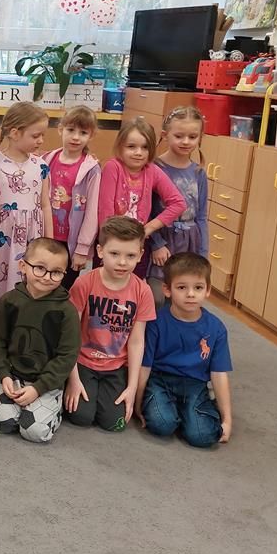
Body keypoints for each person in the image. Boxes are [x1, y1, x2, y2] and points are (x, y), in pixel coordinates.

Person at [65, 216, 156, 432]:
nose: (122, 262)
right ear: (100, 251)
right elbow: (69, 334)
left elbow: (136, 342)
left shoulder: (143, 292)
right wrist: (73, 379)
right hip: (83, 362)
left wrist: (132, 388)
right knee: (81, 416)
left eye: (130, 256)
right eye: (114, 254)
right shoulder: (84, 283)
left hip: (115, 366)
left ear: (140, 255)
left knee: (114, 423)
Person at [0, 237, 81, 442]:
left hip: (46, 381)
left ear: (64, 274)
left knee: (35, 432)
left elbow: (67, 355)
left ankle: (54, 406)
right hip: (12, 376)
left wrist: (39, 387)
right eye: (39, 268)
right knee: (3, 424)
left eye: (56, 272)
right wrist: (4, 375)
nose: (47, 277)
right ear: (23, 266)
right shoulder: (9, 301)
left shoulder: (67, 311)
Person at [137, 253, 233, 447]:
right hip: (160, 380)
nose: (190, 294)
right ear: (167, 290)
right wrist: (137, 404)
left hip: (195, 384)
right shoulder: (155, 322)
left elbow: (219, 374)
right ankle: (180, 412)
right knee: (162, 425)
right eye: (182, 287)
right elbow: (144, 366)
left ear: (208, 290)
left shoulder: (216, 328)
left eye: (198, 288)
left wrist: (227, 419)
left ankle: (194, 410)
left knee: (203, 436)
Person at [0, 101, 54, 312]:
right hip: (2, 237)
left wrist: (50, 242)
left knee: (32, 284)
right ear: (14, 133)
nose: (41, 140)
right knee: (0, 288)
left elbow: (45, 205)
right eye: (36, 135)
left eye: (43, 135)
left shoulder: (41, 166)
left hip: (32, 237)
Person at [96, 117, 186, 279]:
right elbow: (105, 211)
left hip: (136, 245)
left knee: (132, 286)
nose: (138, 153)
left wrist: (148, 228)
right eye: (131, 147)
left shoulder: (152, 171)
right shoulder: (113, 167)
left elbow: (178, 203)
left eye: (145, 147)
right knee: (103, 285)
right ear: (120, 146)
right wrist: (108, 242)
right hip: (111, 243)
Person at [147, 107, 209, 309]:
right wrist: (156, 244)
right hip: (163, 238)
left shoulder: (198, 172)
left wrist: (203, 253)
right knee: (157, 297)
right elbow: (148, 211)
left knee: (182, 296)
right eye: (179, 136)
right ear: (165, 135)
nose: (186, 142)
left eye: (192, 137)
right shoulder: (155, 168)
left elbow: (201, 216)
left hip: (190, 241)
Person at [42, 105, 101, 292]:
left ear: (91, 135)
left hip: (72, 243)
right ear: (60, 129)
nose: (76, 137)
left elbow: (92, 212)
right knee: (39, 283)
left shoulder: (92, 170)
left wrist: (82, 249)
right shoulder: (45, 160)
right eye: (70, 130)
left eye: (83, 132)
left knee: (62, 290)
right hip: (44, 237)